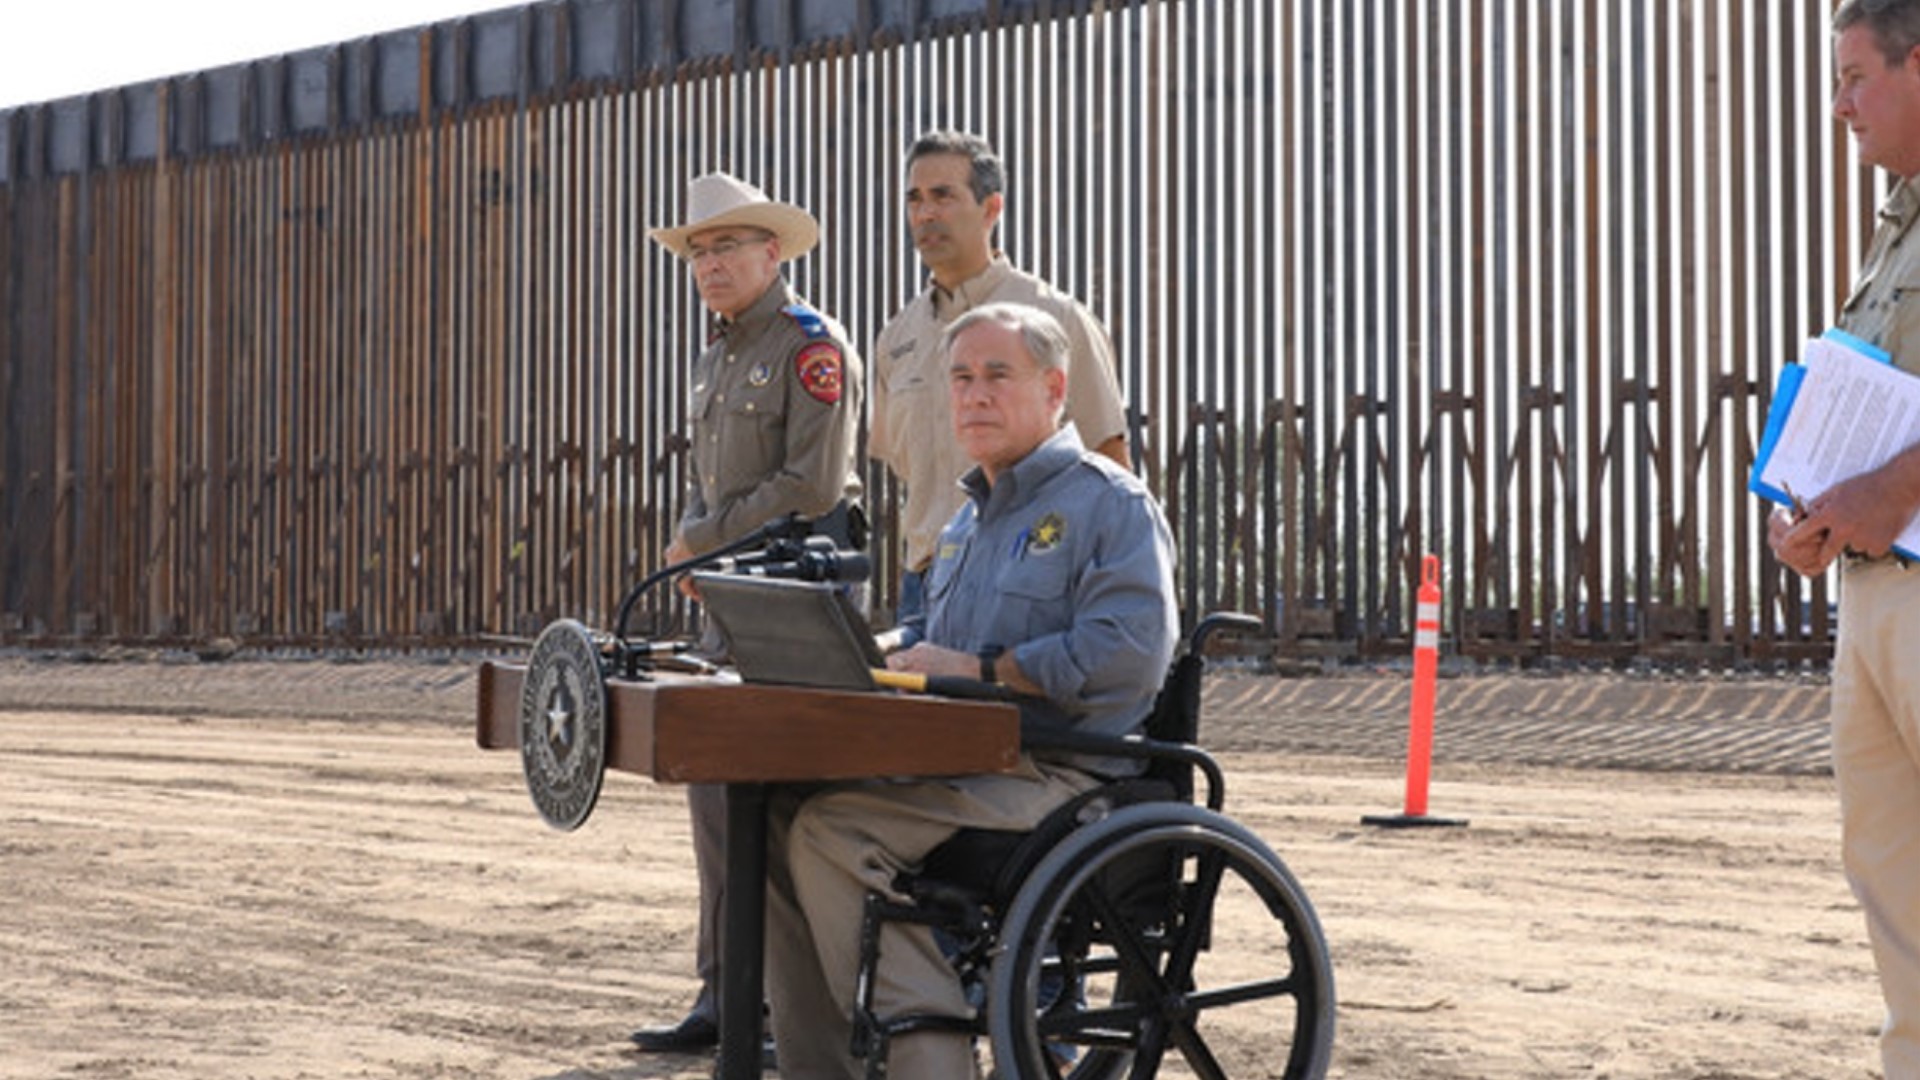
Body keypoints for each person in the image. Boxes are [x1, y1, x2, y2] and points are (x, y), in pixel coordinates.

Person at [762, 301, 1178, 1079]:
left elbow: (1128, 652)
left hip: (1058, 770)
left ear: (1056, 389)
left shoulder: (1110, 504)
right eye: (959, 378)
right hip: (960, 759)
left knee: (829, 832)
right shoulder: (966, 520)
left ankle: (932, 1052)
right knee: (775, 808)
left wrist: (985, 671)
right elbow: (934, 647)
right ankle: (818, 1067)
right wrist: (869, 653)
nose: (973, 395)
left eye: (997, 375)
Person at [632, 172, 864, 1055]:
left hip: (798, 600)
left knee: (788, 800)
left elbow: (808, 484)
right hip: (732, 590)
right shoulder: (718, 351)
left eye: (727, 246)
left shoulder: (811, 345)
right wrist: (706, 555)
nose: (710, 264)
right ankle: (724, 997)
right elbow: (722, 483)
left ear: (774, 253)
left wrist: (700, 541)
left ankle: (789, 1005)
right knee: (715, 795)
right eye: (698, 250)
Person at [1769, 4, 1920, 1075]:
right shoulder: (1895, 220)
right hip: (1871, 590)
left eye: (1856, 77)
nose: (1840, 105)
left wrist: (1894, 487)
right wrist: (1818, 507)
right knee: (1889, 874)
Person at [870, 130, 1132, 645]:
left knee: (1012, 727)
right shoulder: (895, 339)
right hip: (927, 584)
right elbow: (901, 464)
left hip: (1029, 583)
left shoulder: (1055, 318)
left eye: (943, 195)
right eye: (914, 199)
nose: (925, 214)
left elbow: (1109, 458)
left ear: (992, 207)